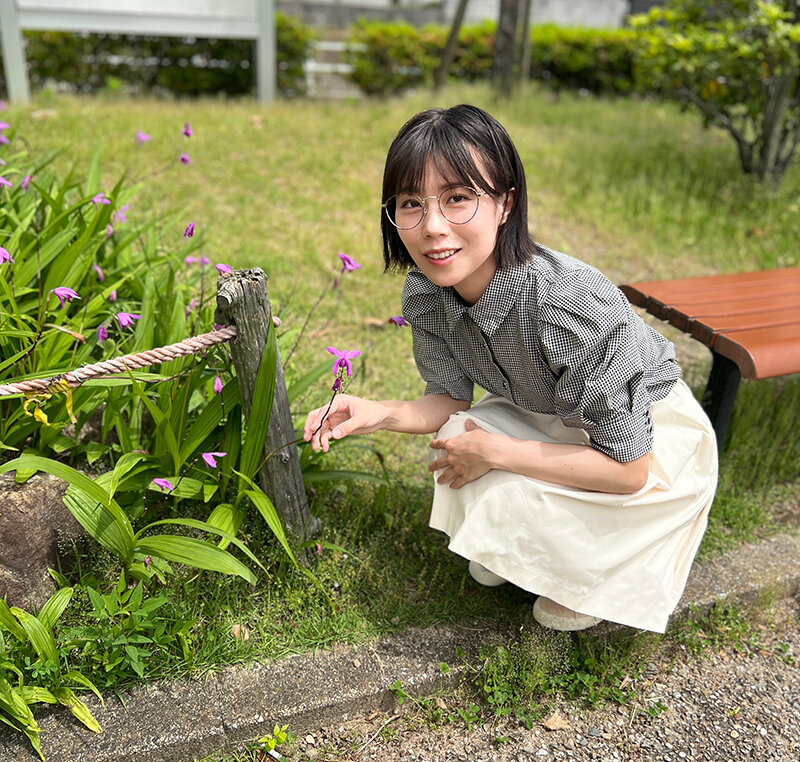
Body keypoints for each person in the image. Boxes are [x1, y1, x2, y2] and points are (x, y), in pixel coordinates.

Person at [303, 104, 718, 633]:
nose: (432, 228)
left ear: (504, 204)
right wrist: (376, 412)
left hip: (648, 439)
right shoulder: (426, 293)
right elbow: (448, 399)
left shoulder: (566, 307)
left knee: (488, 454)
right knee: (461, 432)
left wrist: (500, 453)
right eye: (410, 203)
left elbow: (629, 470)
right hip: (550, 414)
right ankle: (525, 544)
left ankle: (587, 574)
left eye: (457, 199)